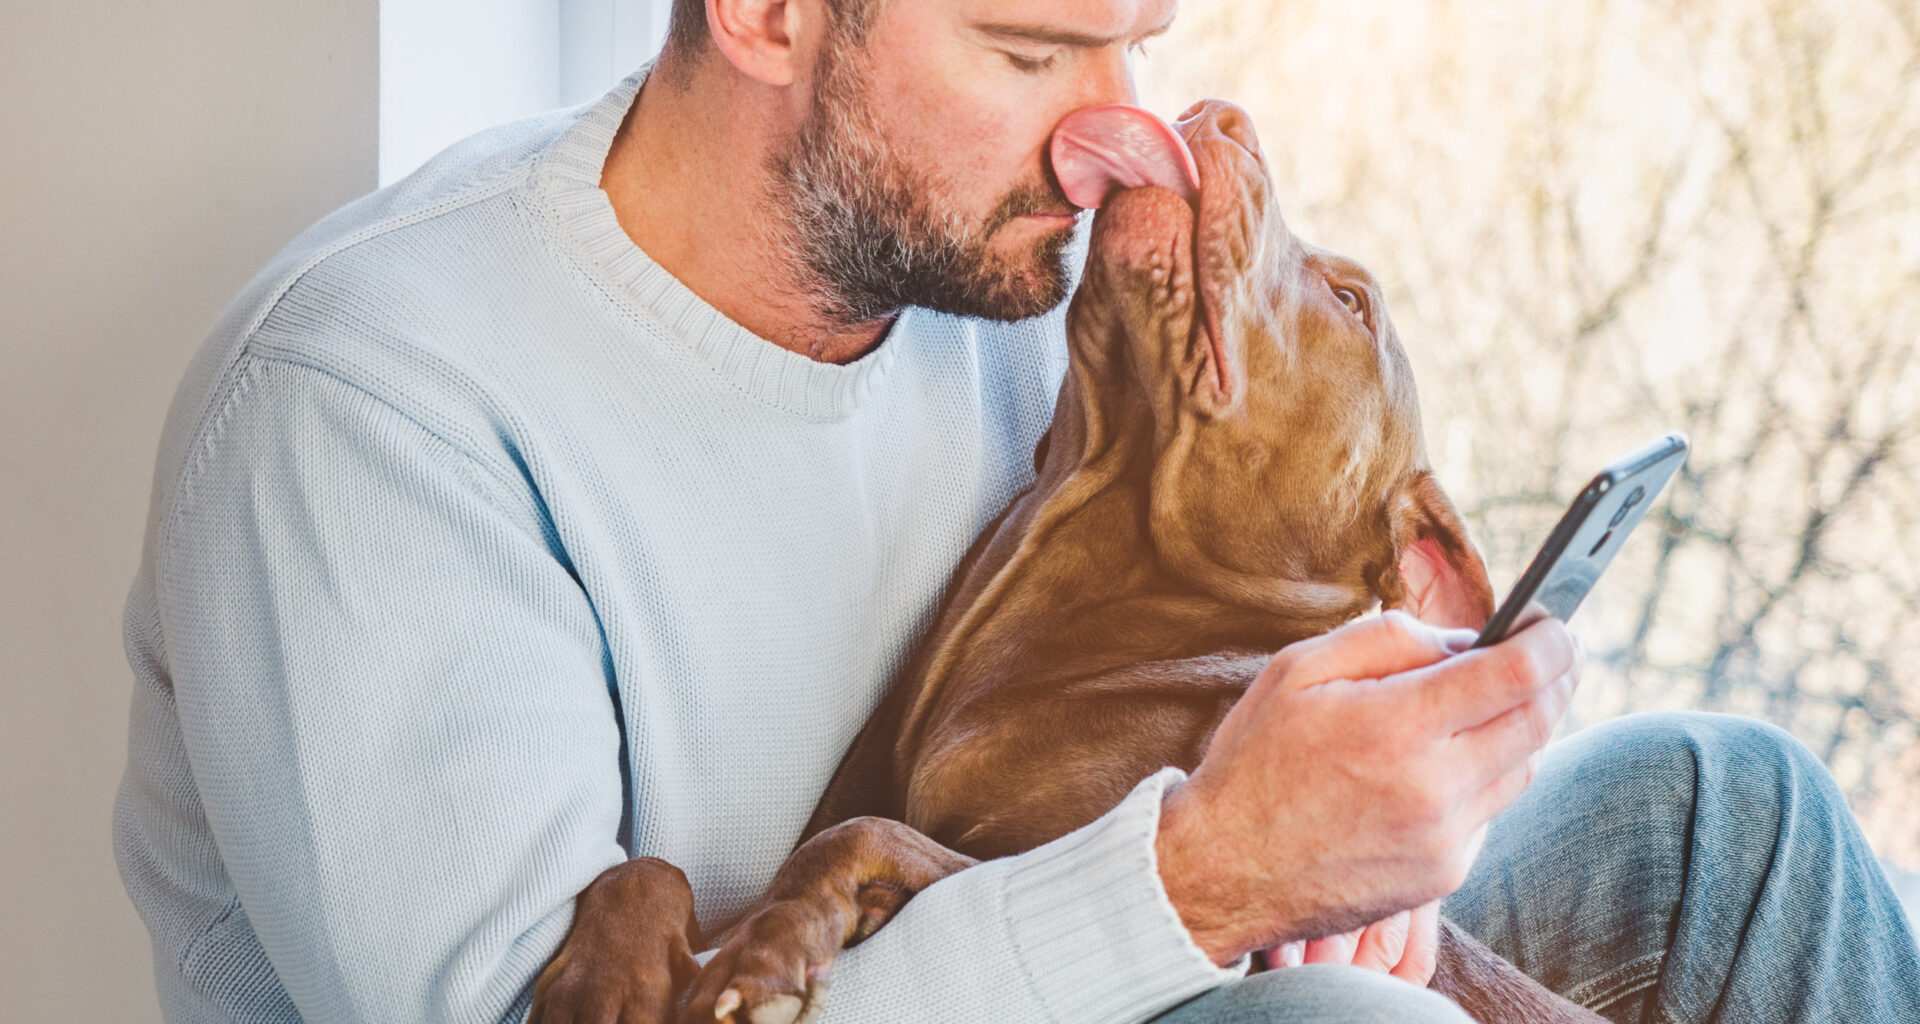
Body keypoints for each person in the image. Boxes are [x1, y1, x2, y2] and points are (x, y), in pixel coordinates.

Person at [113, 0, 1920, 1020]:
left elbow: (1192, 621)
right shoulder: (372, 413)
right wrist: (1215, 884)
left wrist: (1371, 842)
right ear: (763, 13)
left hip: (1109, 948)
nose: (1105, 133)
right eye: (1027, 50)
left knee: (1719, 816)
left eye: (1137, 38)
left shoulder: (998, 279)